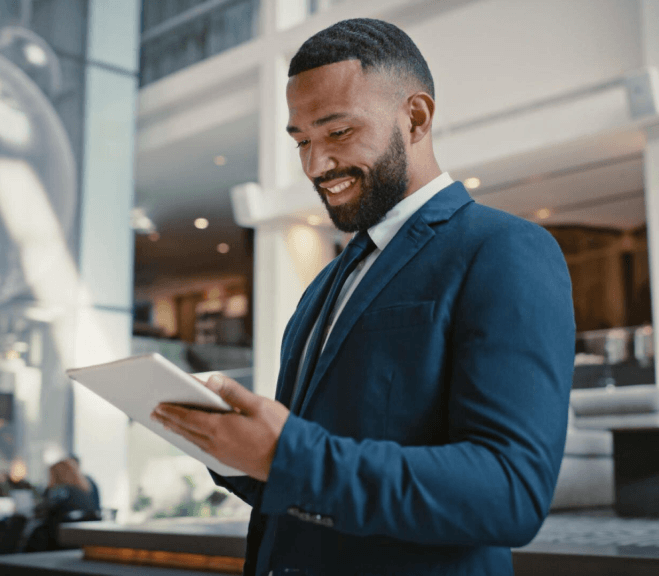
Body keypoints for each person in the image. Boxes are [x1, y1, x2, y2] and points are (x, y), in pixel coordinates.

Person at [152, 18, 576, 575]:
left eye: (338, 133)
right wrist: (228, 448)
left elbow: (509, 493)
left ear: (417, 117)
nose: (314, 165)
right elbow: (305, 487)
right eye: (301, 140)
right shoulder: (326, 285)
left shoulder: (506, 251)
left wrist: (287, 455)